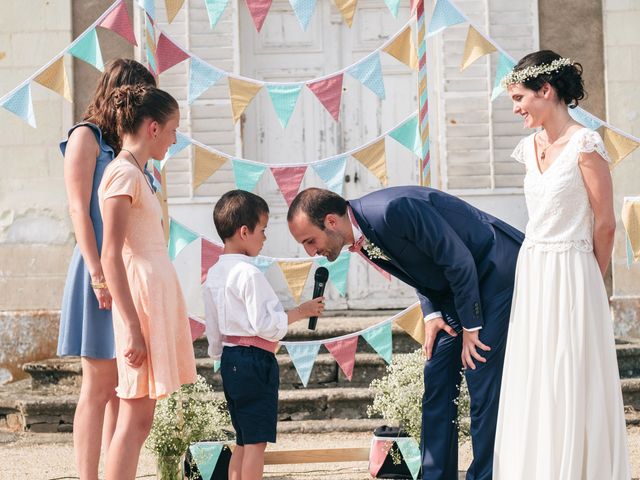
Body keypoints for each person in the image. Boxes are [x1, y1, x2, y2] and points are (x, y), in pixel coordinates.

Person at [287, 187, 523, 480]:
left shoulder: (392, 210)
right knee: (437, 373)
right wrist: (433, 314)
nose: (312, 253)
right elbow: (418, 266)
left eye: (310, 241)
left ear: (331, 221)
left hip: (494, 272)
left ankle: (484, 476)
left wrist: (471, 327)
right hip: (455, 287)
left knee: (479, 371)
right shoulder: (359, 235)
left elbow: (457, 259)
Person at [494, 50, 631, 478]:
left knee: (571, 372)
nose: (516, 108)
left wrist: (592, 276)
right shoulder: (528, 146)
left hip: (574, 269)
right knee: (536, 371)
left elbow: (606, 223)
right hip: (534, 268)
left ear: (546, 91)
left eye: (519, 97)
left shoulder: (586, 145)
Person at [57, 58, 155, 479]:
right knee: (97, 386)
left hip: (127, 273)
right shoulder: (86, 137)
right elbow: (79, 210)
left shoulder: (128, 152)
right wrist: (98, 272)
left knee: (123, 387)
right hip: (97, 268)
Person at [98, 84, 197, 479]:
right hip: (138, 302)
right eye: (173, 130)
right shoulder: (122, 173)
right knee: (135, 415)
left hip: (150, 297)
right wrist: (134, 328)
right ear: (153, 128)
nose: (174, 139)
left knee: (141, 416)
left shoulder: (137, 174)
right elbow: (111, 254)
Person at [203, 190, 325, 480]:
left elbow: (213, 331)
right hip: (255, 361)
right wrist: (300, 311)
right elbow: (266, 325)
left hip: (231, 359)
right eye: (263, 230)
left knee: (243, 440)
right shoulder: (249, 274)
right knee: (256, 443)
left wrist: (220, 355)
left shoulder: (214, 275)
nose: (265, 238)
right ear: (244, 232)